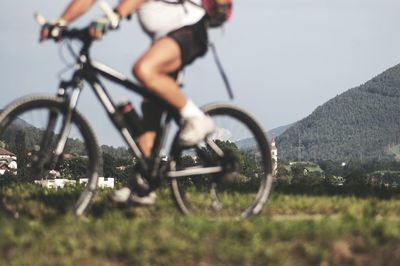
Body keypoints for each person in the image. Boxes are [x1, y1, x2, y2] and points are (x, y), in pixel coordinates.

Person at [40, 0, 215, 204]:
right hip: (166, 38)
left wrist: (114, 16)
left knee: (144, 69)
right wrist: (61, 22)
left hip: (189, 28)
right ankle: (143, 185)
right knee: (150, 108)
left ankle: (196, 118)